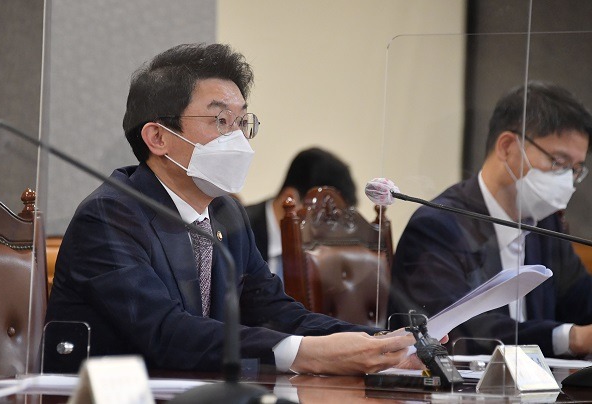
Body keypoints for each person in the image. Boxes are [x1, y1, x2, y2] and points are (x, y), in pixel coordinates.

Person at [45, 43, 421, 374]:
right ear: (158, 137)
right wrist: (307, 354)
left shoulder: (226, 213)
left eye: (242, 121)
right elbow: (165, 332)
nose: (238, 138)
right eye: (220, 120)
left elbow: (275, 312)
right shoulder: (109, 216)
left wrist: (382, 342)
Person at [389, 81, 592, 358]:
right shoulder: (437, 226)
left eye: (575, 170)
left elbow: (583, 301)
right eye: (558, 162)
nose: (567, 181)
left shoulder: (545, 225)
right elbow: (456, 334)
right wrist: (572, 338)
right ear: (507, 147)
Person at [244, 147, 357, 279]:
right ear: (290, 198)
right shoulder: (239, 230)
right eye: (324, 217)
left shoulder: (321, 253)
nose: (330, 230)